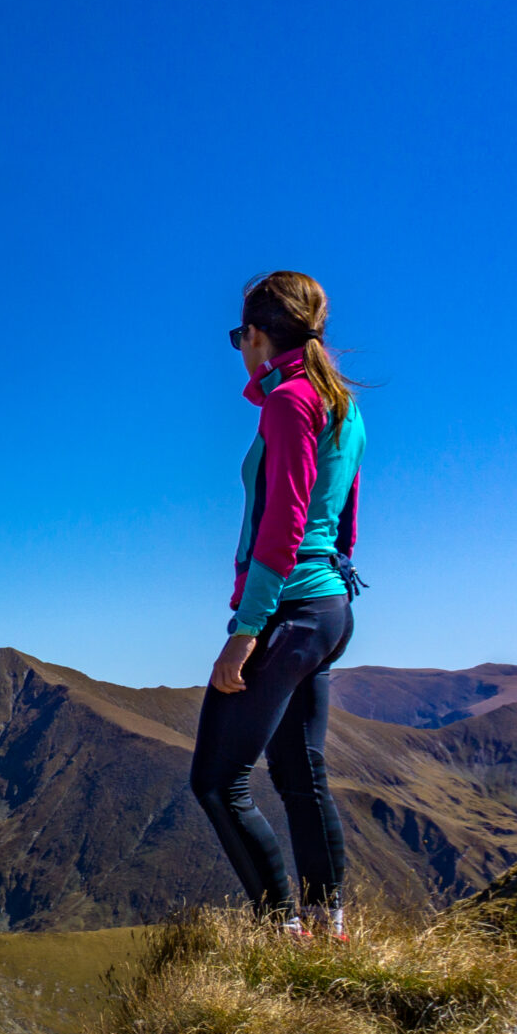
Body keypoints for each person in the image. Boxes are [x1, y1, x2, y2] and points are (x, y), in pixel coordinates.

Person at [189, 271, 365, 938]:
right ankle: (327, 928)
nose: (240, 347)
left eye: (240, 335)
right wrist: (333, 584)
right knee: (299, 772)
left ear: (259, 336)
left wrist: (246, 629)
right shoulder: (342, 405)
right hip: (327, 607)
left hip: (289, 612)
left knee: (217, 782)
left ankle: (282, 933)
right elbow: (343, 519)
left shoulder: (290, 401)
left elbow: (284, 523)